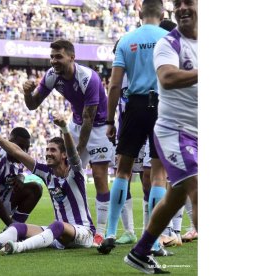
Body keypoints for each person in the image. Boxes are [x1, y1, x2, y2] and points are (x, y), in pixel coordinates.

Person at [124, 0, 198, 273]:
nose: (181, 8)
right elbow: (166, 77)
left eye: (187, 2)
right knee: (199, 189)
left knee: (175, 196)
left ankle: (140, 251)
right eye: (177, 4)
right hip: (175, 132)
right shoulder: (168, 43)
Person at [0, 115, 95, 254]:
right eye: (47, 150)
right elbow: (17, 152)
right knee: (17, 228)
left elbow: (73, 154)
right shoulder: (46, 173)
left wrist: (64, 129)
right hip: (60, 238)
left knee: (57, 225)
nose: (48, 153)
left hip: (83, 233)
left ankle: (18, 247)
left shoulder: (75, 172)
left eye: (53, 150)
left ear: (64, 155)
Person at [22, 39, 115, 246]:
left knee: (100, 177)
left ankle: (99, 233)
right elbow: (33, 105)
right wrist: (28, 93)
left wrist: (77, 153)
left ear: (72, 57)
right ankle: (72, 224)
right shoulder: (52, 75)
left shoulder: (89, 78)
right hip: (76, 123)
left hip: (98, 127)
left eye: (59, 56)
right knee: (67, 176)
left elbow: (89, 118)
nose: (54, 61)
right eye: (52, 56)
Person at [98, 0, 170, 256]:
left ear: (140, 13)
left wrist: (109, 121)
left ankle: (109, 233)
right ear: (163, 14)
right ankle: (155, 239)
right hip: (163, 106)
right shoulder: (170, 38)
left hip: (134, 107)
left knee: (123, 171)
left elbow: (115, 85)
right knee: (159, 173)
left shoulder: (126, 40)